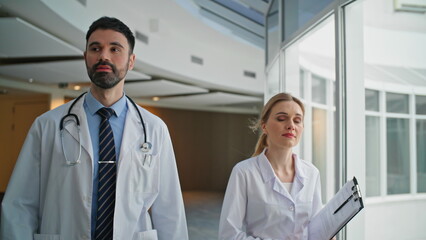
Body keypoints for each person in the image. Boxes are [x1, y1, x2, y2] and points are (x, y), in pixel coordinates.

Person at [1, 16, 188, 240]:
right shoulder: (48, 124)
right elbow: (20, 205)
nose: (104, 56)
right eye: (95, 48)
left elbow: (170, 210)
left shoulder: (154, 129)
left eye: (115, 49)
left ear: (131, 61)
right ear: (86, 57)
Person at [219, 92, 324, 240]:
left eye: (297, 120)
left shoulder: (312, 173)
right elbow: (228, 235)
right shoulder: (244, 172)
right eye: (282, 118)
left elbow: (316, 227)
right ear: (264, 126)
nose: (291, 126)